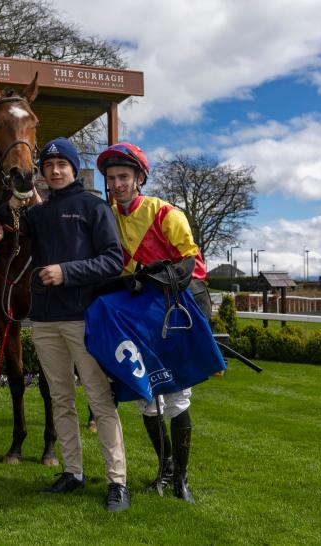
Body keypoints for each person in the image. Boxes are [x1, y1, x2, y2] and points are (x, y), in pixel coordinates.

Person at [0, 137, 130, 512]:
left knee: (98, 398)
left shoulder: (94, 208)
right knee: (60, 399)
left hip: (82, 318)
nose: (55, 171)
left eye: (61, 164)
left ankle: (117, 481)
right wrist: (0, 218)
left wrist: (67, 272)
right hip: (45, 322)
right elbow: (8, 213)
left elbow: (114, 259)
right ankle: (73, 472)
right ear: (42, 174)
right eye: (48, 167)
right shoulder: (39, 213)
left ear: (72, 167)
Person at [98, 141, 210, 503]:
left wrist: (146, 278)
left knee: (177, 395)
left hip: (173, 312)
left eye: (124, 177)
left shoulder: (166, 214)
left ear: (139, 178)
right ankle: (163, 470)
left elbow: (190, 266)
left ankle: (182, 479)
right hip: (136, 317)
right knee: (148, 398)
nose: (117, 184)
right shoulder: (107, 217)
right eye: (112, 178)